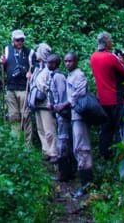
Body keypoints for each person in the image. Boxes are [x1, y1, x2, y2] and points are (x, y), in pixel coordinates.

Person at [89, 31, 124, 159]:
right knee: (121, 128)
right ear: (106, 42)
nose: (111, 43)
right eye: (110, 40)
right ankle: (122, 155)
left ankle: (104, 154)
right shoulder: (111, 57)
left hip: (102, 99)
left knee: (105, 128)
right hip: (115, 98)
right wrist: (121, 60)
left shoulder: (93, 57)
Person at [64, 52, 93, 197]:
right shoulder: (70, 75)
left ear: (76, 61)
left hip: (80, 115)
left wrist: (66, 104)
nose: (67, 64)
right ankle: (84, 182)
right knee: (77, 148)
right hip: (74, 115)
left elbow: (78, 94)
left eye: (70, 61)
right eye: (66, 61)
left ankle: (87, 184)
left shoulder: (79, 75)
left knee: (82, 148)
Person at [0, 29, 34, 135]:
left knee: (25, 115)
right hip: (11, 87)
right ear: (13, 40)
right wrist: (2, 63)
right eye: (17, 40)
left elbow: (36, 67)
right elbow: (3, 67)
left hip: (24, 88)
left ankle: (27, 142)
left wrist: (31, 73)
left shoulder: (29, 52)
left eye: (22, 40)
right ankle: (16, 140)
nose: (20, 42)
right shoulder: (7, 50)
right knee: (13, 115)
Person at [48, 54, 76, 182]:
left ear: (55, 64)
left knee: (63, 142)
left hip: (63, 114)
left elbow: (61, 95)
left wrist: (58, 107)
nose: (48, 65)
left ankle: (65, 173)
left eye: (50, 63)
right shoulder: (54, 75)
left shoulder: (58, 77)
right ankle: (66, 172)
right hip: (59, 113)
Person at [31, 42, 58, 163]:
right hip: (37, 103)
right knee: (40, 129)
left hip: (46, 103)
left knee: (49, 130)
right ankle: (45, 150)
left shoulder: (49, 70)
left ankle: (53, 152)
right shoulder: (37, 68)